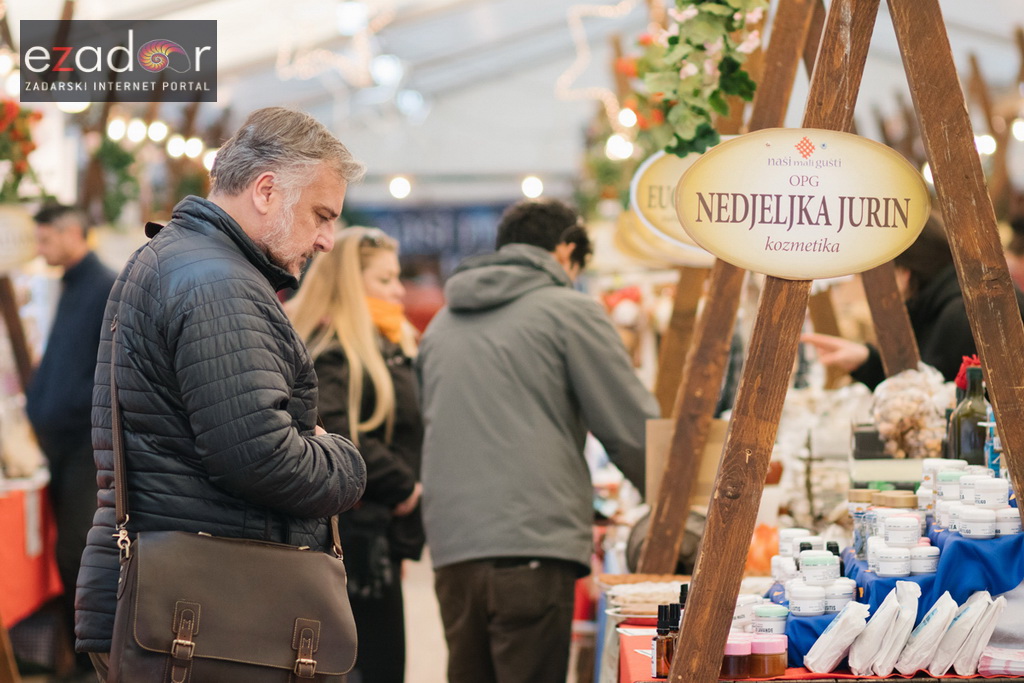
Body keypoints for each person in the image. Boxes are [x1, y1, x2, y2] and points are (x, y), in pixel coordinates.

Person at [74, 107, 368, 680]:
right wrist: (344, 462)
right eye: (321, 215)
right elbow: (259, 456)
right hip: (206, 612)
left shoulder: (185, 262)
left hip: (185, 602)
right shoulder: (218, 282)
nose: (328, 239)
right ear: (265, 191)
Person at [416, 198, 659, 683]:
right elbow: (632, 427)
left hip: (453, 547)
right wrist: (682, 505)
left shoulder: (441, 324)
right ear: (567, 250)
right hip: (532, 545)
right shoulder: (569, 311)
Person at [288, 226, 424, 683]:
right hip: (352, 541)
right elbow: (341, 438)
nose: (399, 290)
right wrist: (404, 484)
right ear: (349, 282)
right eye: (384, 280)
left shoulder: (387, 346)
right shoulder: (333, 352)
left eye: (397, 278)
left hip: (377, 535)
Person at [24, 204, 116, 678]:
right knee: (67, 548)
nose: (40, 250)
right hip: (59, 438)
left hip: (85, 442)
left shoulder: (103, 284)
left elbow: (105, 371)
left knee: (78, 551)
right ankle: (73, 655)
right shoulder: (72, 282)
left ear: (72, 233)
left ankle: (90, 662)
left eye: (45, 240)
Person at [801, 215, 1017, 389]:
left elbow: (929, 404)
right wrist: (867, 360)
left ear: (903, 275)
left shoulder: (961, 315)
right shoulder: (946, 303)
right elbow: (921, 379)